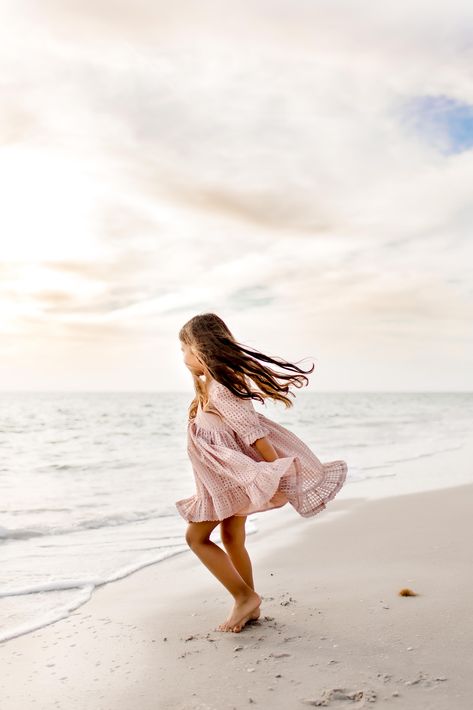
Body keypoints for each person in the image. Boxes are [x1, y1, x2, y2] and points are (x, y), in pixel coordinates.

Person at [175, 313, 348, 634]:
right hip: (224, 476)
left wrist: (275, 470)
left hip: (232, 476)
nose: (183, 358)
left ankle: (243, 596)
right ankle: (249, 604)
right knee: (230, 536)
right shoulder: (212, 386)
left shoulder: (223, 387)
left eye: (184, 349)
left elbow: (253, 432)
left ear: (200, 349)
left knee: (195, 537)